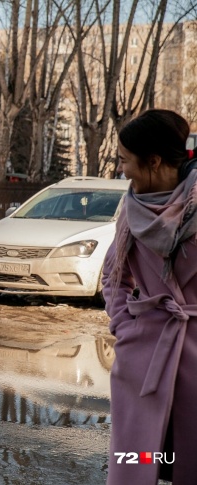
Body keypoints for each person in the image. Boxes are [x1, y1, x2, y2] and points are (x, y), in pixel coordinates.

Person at [103, 109, 197, 484]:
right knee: (136, 461)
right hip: (144, 354)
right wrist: (125, 326)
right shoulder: (131, 209)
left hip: (194, 350)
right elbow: (114, 277)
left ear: (154, 161)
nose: (122, 169)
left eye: (125, 160)